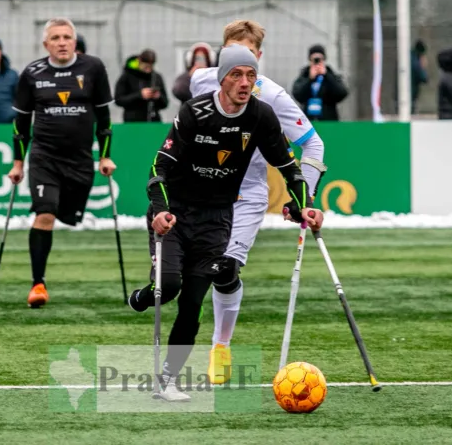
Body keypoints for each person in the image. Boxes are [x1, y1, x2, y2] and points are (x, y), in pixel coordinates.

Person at [128, 44, 323, 402]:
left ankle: (167, 381)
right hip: (175, 213)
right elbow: (159, 168)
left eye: (250, 75)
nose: (245, 82)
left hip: (217, 218)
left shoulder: (262, 116)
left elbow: (288, 168)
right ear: (222, 79)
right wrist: (159, 210)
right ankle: (141, 297)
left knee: (192, 301)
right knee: (167, 288)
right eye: (236, 74)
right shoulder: (194, 112)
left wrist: (304, 206)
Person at [188, 20, 325, 385]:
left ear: (259, 57)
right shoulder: (200, 81)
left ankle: (220, 347)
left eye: (249, 57)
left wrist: (303, 198)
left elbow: (314, 145)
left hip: (246, 196)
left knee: (226, 270)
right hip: (201, 192)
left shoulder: (274, 97)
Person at [8, 18, 116, 308]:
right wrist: (18, 163)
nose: (62, 42)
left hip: (80, 160)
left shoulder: (93, 68)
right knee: (45, 214)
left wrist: (105, 156)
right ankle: (38, 284)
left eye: (67, 37)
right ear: (46, 44)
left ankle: (40, 278)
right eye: (55, 38)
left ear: (75, 41)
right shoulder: (32, 73)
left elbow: (104, 120)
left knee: (69, 216)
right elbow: (20, 123)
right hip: (44, 157)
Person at [292, 44, 347, 121]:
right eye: (314, 60)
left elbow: (342, 93)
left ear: (324, 60)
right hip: (308, 120)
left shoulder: (331, 75)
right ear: (310, 60)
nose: (317, 62)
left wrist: (326, 76)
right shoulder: (304, 75)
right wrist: (310, 79)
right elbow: (297, 95)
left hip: (328, 119)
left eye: (320, 59)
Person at [114, 49, 169, 122]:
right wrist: (139, 95)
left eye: (151, 67)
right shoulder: (127, 76)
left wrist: (158, 97)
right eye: (146, 67)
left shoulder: (156, 77)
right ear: (139, 61)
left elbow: (165, 103)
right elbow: (118, 100)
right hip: (132, 122)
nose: (148, 70)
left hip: (154, 120)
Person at [411, 39, 428, 113]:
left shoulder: (408, 57)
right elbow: (424, 78)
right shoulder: (415, 61)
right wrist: (423, 67)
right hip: (411, 94)